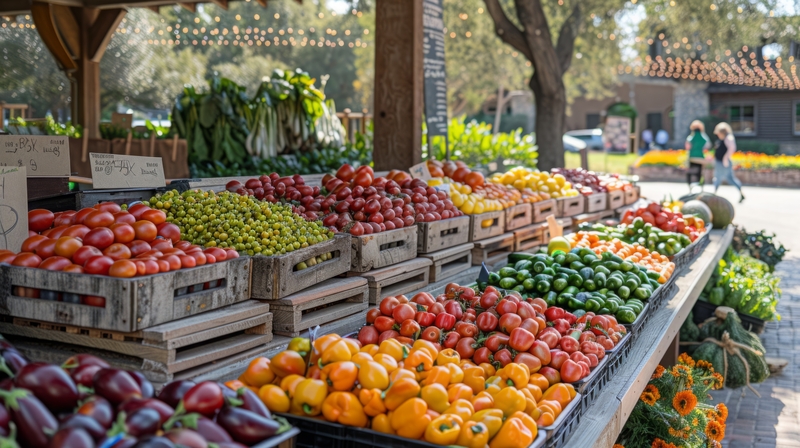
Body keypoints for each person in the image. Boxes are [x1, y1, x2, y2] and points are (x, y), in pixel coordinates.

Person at [712, 122, 745, 202]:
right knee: (724, 178)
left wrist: (725, 158)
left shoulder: (728, 138)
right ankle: (714, 194)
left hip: (723, 162)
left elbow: (732, 148)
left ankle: (714, 194)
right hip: (719, 161)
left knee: (721, 178)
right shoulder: (721, 139)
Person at [684, 120, 710, 191]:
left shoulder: (690, 137)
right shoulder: (704, 137)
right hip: (701, 157)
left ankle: (690, 186)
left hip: (692, 157)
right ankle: (701, 186)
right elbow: (707, 146)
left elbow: (687, 147)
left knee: (690, 172)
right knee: (701, 173)